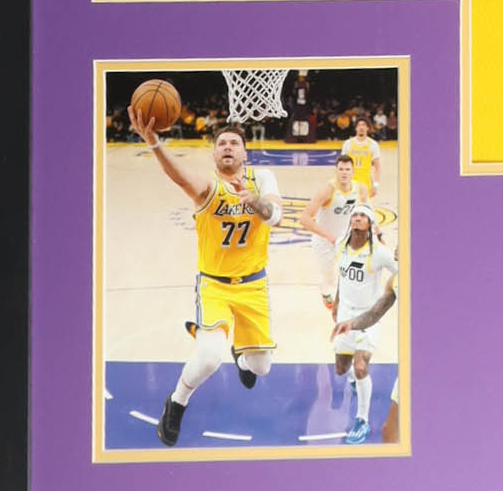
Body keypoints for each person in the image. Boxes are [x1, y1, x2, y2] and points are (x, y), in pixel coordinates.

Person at [128, 110, 282, 446]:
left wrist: (254, 201)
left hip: (254, 286)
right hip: (215, 286)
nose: (228, 147)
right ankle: (176, 402)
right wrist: (154, 143)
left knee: (262, 367)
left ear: (245, 153)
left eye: (234, 143)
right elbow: (180, 177)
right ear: (214, 155)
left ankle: (241, 355)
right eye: (222, 143)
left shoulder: (262, 179)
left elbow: (276, 217)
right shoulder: (208, 187)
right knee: (210, 357)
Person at [330, 203, 399, 446]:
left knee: (360, 367)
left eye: (362, 216)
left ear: (370, 223)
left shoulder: (379, 252)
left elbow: (402, 270)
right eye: (355, 215)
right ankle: (356, 381)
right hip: (345, 314)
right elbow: (342, 276)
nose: (357, 218)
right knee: (342, 368)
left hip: (369, 316)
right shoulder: (340, 244)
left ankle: (362, 420)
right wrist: (337, 302)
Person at [300, 152, 362, 311]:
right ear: (336, 171)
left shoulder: (359, 188)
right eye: (341, 169)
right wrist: (329, 236)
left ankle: (349, 304)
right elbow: (304, 219)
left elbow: (367, 210)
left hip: (346, 239)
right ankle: (325, 292)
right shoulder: (327, 190)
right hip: (324, 242)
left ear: (353, 171)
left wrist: (376, 232)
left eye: (347, 169)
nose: (344, 173)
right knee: (329, 279)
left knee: (352, 272)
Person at [344, 116, 381, 198]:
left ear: (368, 128)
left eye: (364, 125)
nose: (361, 127)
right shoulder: (347, 143)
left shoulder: (373, 144)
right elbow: (341, 166)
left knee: (364, 205)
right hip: (349, 183)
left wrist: (375, 185)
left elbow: (377, 168)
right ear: (356, 128)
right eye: (359, 125)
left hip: (366, 184)